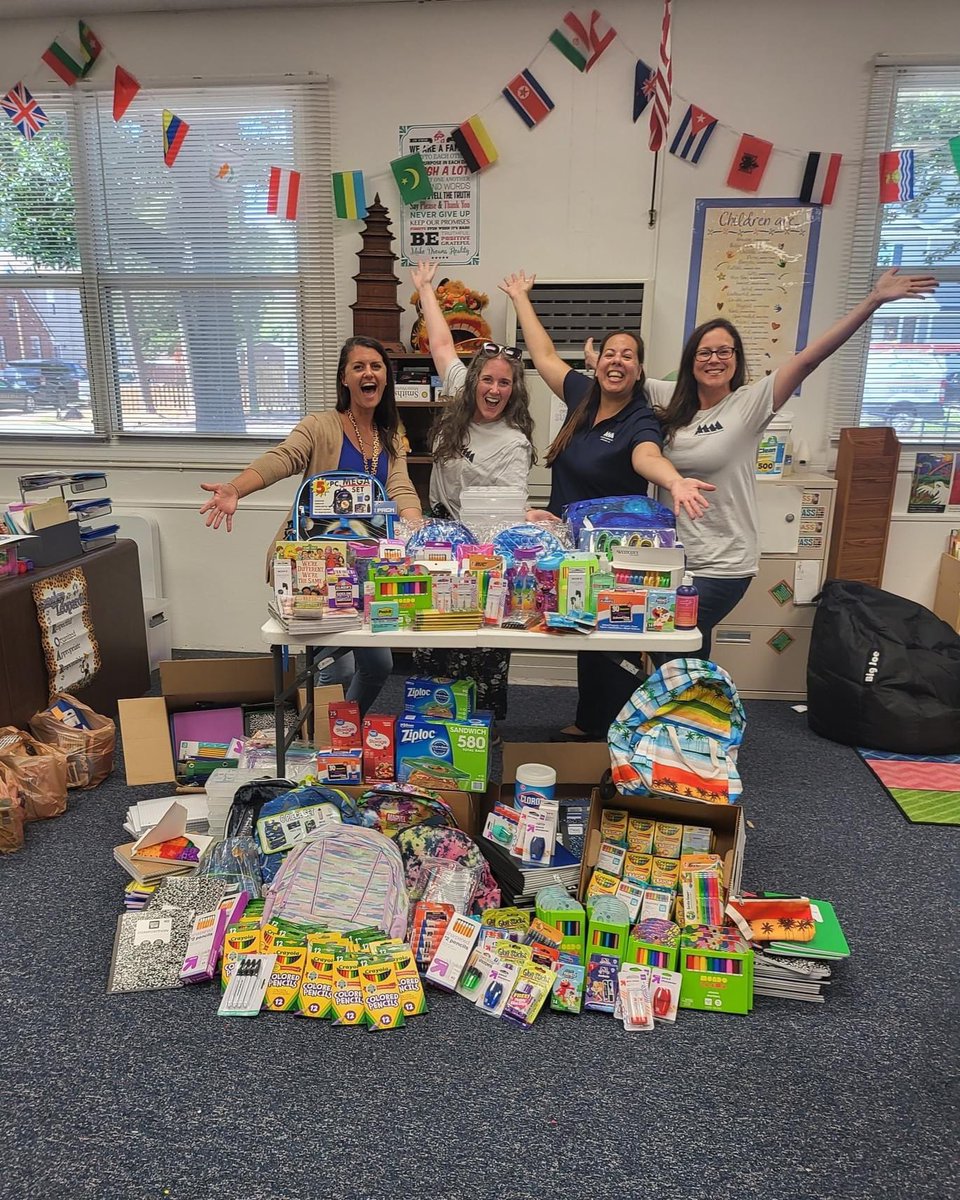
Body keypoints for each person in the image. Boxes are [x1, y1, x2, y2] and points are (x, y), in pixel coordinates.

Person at [643, 266, 938, 665]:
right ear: (691, 360)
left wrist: (872, 301)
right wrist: (603, 358)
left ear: (736, 358)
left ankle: (683, 717)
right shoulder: (670, 398)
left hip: (724, 560)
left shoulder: (749, 403)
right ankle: (693, 718)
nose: (714, 359)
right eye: (704, 352)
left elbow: (809, 360)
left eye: (724, 351)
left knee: (674, 640)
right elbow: (617, 380)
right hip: (674, 554)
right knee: (687, 647)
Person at [500, 270, 715, 740]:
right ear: (598, 363)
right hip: (568, 542)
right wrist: (519, 298)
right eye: (611, 354)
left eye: (629, 356)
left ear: (639, 370)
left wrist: (675, 482)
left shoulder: (641, 417)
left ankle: (613, 734)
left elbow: (647, 456)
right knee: (582, 635)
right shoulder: (582, 395)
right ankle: (590, 724)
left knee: (610, 640)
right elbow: (545, 355)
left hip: (617, 555)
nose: (617, 362)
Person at [199, 335, 423, 716]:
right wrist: (236, 488)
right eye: (358, 367)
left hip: (367, 567)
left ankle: (336, 732)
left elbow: (399, 485)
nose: (368, 373)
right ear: (344, 379)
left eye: (376, 366)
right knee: (338, 666)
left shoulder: (389, 435)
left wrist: (416, 524)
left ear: (385, 377)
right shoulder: (320, 425)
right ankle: (322, 744)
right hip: (316, 566)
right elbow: (283, 458)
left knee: (380, 665)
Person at [408, 258, 538, 727]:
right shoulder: (461, 391)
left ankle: (483, 726)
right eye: (489, 378)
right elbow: (442, 343)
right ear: (475, 381)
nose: (495, 388)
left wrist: (527, 515)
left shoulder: (513, 441)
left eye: (505, 382)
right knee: (433, 636)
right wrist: (425, 289)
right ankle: (431, 721)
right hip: (438, 535)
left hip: (484, 548)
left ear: (513, 390)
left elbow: (508, 511)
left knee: (481, 641)